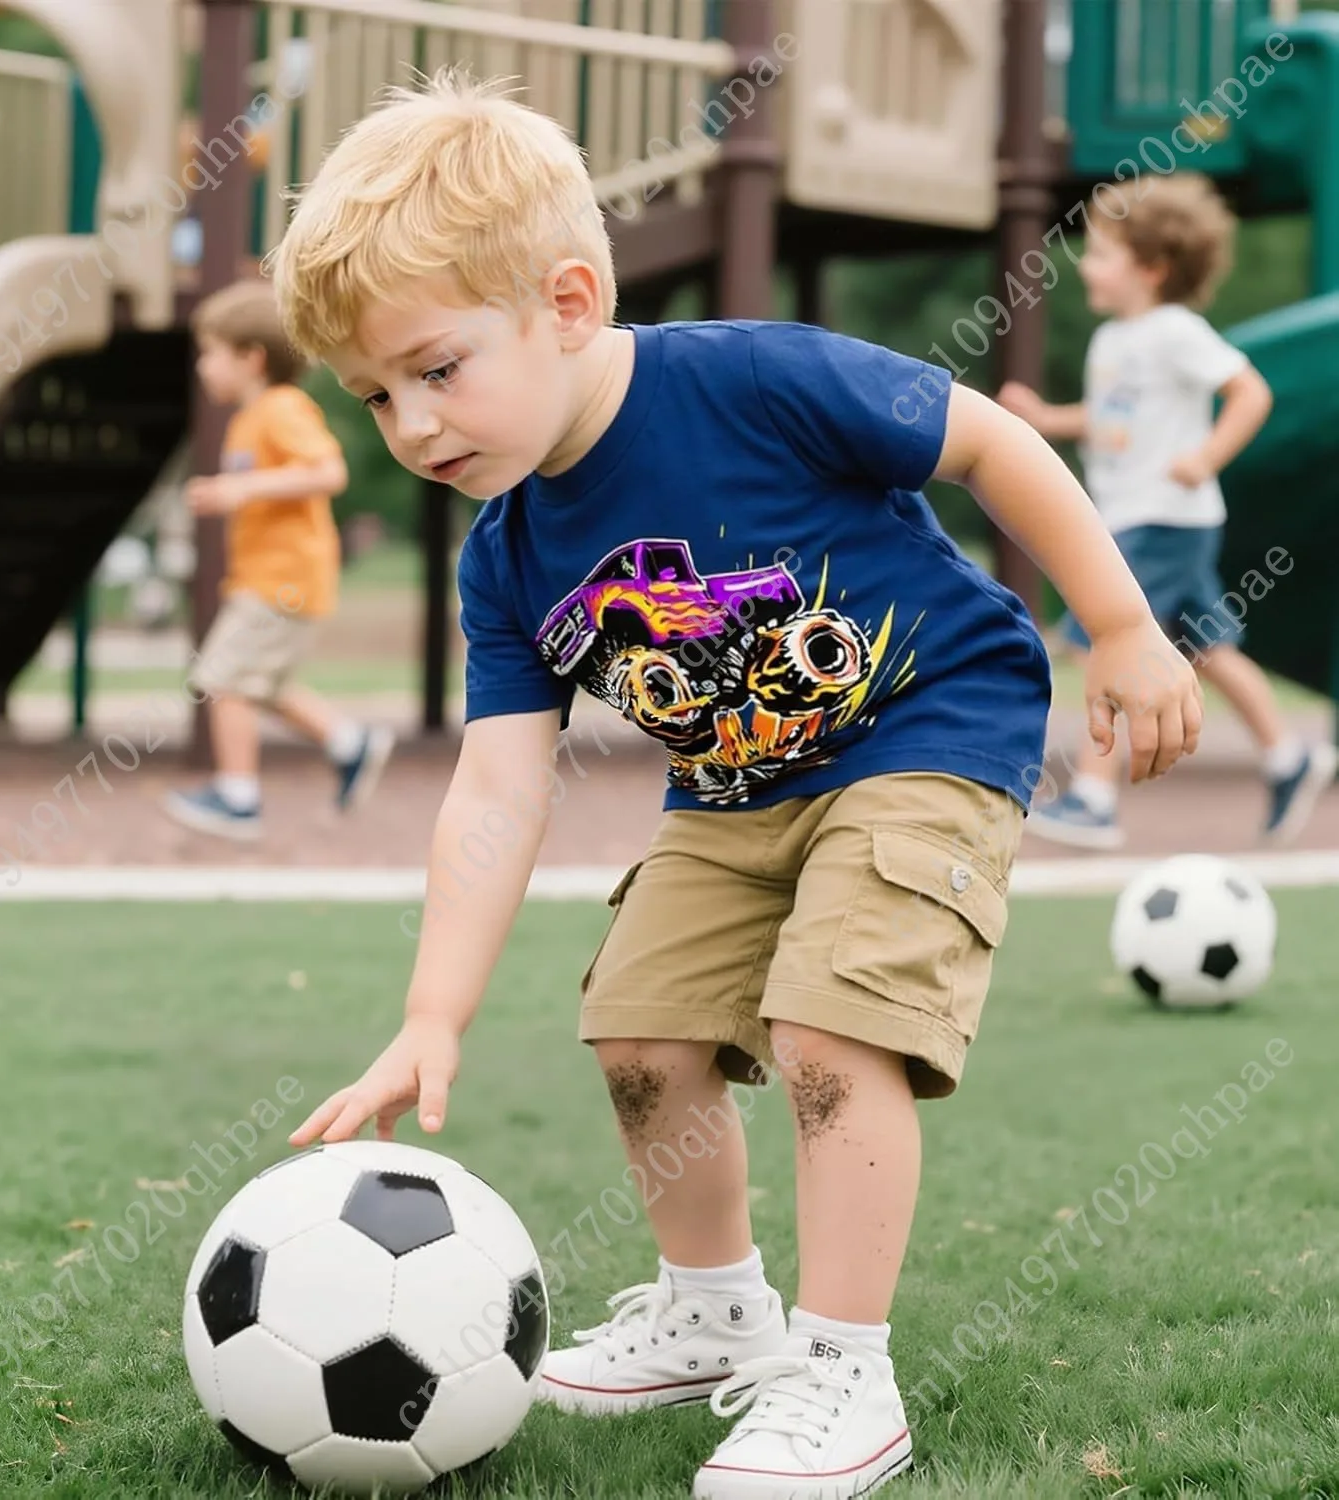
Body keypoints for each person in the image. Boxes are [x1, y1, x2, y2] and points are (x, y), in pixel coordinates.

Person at [273, 71, 1200, 1500]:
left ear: (569, 303)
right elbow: (496, 791)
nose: (410, 423)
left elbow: (992, 442)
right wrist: (428, 1015)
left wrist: (1127, 628)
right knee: (640, 1034)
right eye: (374, 394)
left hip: (928, 725)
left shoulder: (751, 377)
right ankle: (716, 1313)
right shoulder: (505, 558)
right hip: (735, 788)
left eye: (439, 368)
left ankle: (843, 1369)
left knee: (830, 1031)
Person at [999, 172, 1336, 850]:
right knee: (1208, 647)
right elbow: (1112, 418)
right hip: (1146, 516)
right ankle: (1288, 756)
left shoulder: (1175, 331)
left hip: (1161, 518)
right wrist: (1044, 419)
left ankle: (1093, 796)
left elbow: (1251, 391)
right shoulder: (1115, 342)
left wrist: (1207, 456)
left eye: (1100, 253)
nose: (1083, 265)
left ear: (1150, 267)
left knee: (1106, 634)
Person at [162, 279, 393, 841]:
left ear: (251, 359)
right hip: (269, 576)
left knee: (221, 677)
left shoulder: (281, 407)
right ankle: (349, 743)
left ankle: (238, 799)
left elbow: (328, 472)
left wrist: (241, 491)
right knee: (261, 683)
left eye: (210, 354)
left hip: (283, 578)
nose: (202, 367)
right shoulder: (248, 419)